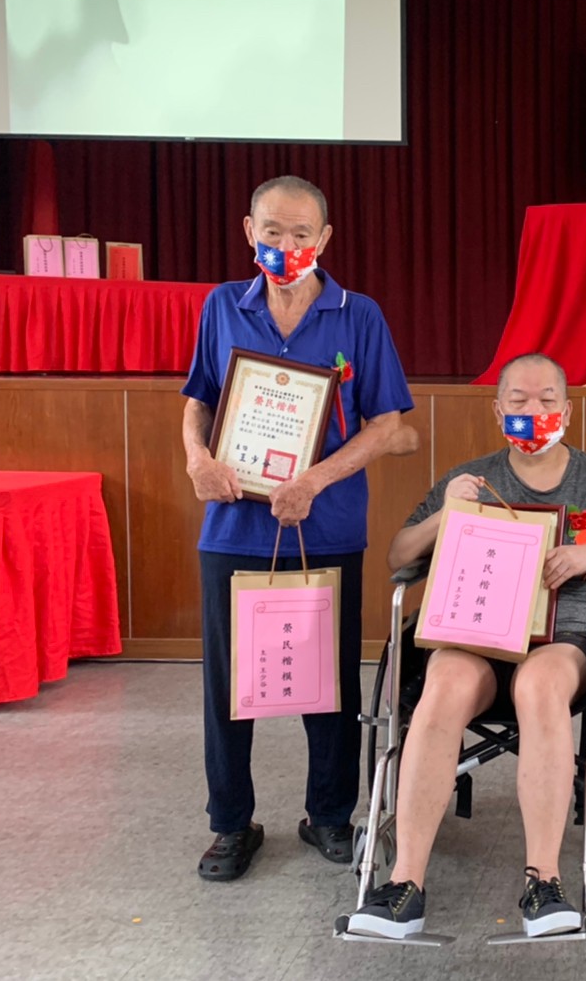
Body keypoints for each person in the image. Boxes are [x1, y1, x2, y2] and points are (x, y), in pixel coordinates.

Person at [347, 352, 586, 939]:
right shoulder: (470, 476)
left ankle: (544, 881)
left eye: (547, 400)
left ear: (567, 409)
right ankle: (403, 882)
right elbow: (398, 556)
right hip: (478, 633)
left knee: (540, 685)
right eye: (518, 401)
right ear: (498, 410)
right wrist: (447, 514)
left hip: (560, 638)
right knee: (443, 683)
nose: (533, 411)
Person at [182, 175, 418, 882]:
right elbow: (197, 399)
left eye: (302, 234)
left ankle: (329, 815)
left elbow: (387, 423)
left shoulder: (358, 314)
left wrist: (314, 480)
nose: (288, 246)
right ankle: (229, 824)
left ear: (325, 240)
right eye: (274, 232)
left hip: (329, 524)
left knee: (328, 682)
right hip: (233, 525)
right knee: (230, 685)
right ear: (250, 232)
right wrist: (197, 460)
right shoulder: (222, 305)